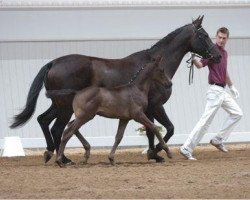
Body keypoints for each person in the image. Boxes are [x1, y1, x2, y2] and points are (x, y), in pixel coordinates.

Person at [180, 27, 243, 160]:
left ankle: (218, 139)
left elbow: (224, 72)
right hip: (214, 91)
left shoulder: (224, 53)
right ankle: (186, 148)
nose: (221, 40)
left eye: (224, 38)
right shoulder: (211, 51)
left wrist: (232, 86)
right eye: (219, 37)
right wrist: (193, 59)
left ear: (227, 39)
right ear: (216, 37)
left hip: (223, 91)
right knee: (205, 121)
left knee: (237, 113)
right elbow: (200, 65)